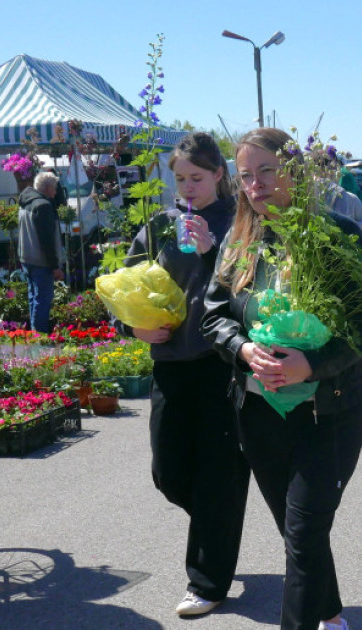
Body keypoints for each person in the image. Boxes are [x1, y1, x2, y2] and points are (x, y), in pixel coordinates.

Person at [201, 127, 362, 630]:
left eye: (267, 171)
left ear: (295, 173)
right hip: (259, 414)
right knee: (298, 531)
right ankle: (330, 611)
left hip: (328, 411)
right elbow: (213, 317)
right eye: (245, 176)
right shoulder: (238, 242)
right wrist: (242, 349)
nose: (255, 184)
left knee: (303, 532)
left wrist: (312, 364)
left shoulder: (336, 235)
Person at [120, 133, 250, 618]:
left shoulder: (241, 221)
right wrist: (132, 327)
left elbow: (252, 292)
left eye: (197, 177)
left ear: (218, 174)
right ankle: (220, 523)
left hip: (222, 364)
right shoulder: (160, 225)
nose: (188, 187)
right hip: (171, 363)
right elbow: (126, 285)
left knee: (217, 473)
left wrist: (213, 251)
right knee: (169, 472)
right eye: (180, 179)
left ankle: (207, 581)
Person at [18, 172, 65, 333]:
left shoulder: (26, 200)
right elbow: (47, 240)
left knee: (34, 297)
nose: (56, 192)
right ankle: (40, 336)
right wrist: (55, 266)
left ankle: (34, 333)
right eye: (55, 188)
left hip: (26, 257)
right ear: (48, 187)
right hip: (41, 260)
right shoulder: (43, 206)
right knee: (43, 299)